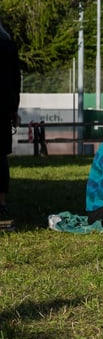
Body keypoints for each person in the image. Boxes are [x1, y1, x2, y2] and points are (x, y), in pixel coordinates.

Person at [0, 20, 21, 230]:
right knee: (1, 156)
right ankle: (2, 201)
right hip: (4, 107)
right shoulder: (7, 41)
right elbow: (16, 79)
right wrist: (14, 108)